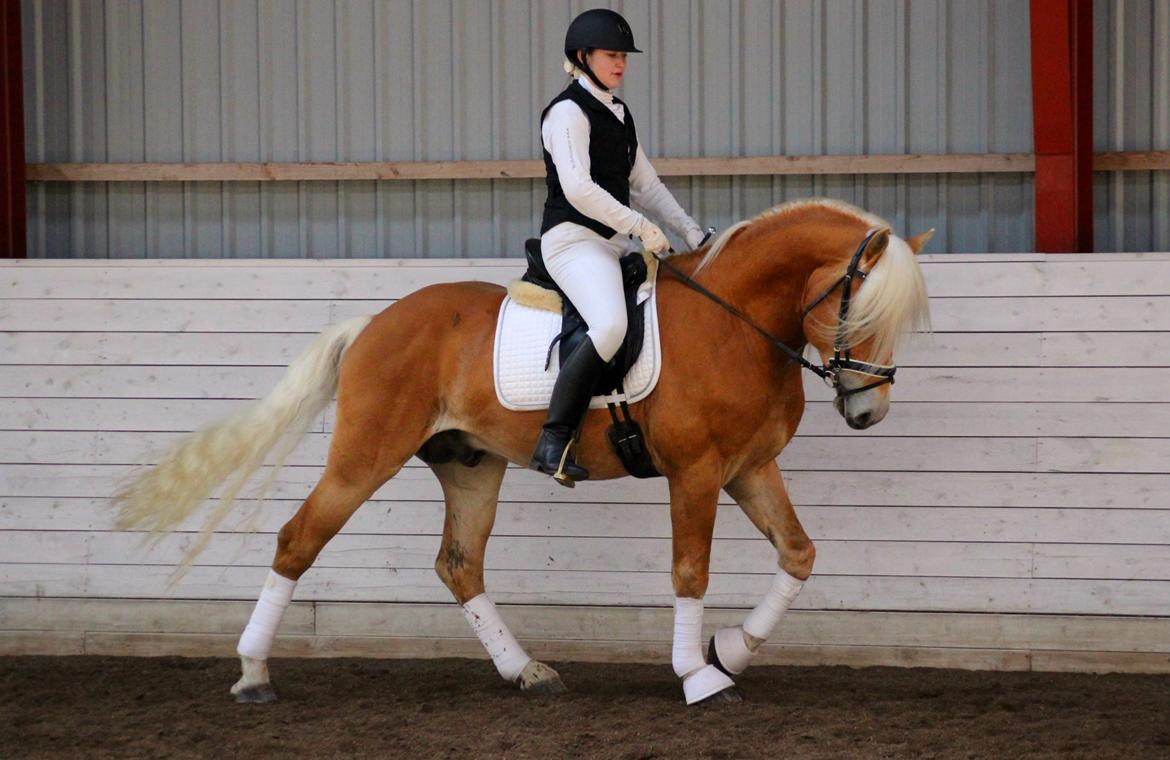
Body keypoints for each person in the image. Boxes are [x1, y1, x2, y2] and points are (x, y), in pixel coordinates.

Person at [529, 8, 708, 485]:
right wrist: (641, 228)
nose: (621, 64)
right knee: (609, 324)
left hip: (615, 243)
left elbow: (645, 183)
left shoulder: (620, 113)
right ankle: (554, 438)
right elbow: (578, 189)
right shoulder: (566, 113)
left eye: (623, 56)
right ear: (583, 57)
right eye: (612, 55)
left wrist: (693, 233)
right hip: (573, 241)